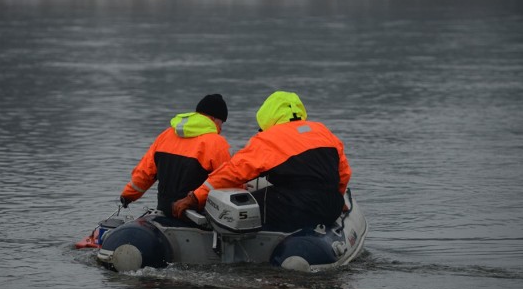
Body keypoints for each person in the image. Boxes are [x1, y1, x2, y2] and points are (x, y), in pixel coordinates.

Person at [172, 91, 351, 232]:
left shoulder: (268, 139)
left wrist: (194, 198)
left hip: (296, 207)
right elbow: (343, 172)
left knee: (238, 208)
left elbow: (232, 172)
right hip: (331, 205)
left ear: (268, 115)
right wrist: (337, 198)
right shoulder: (322, 131)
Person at [120, 94, 231, 218]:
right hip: (196, 216)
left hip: (164, 211)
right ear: (215, 119)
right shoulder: (216, 142)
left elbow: (145, 172)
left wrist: (128, 195)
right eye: (222, 123)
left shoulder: (166, 135)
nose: (221, 127)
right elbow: (226, 179)